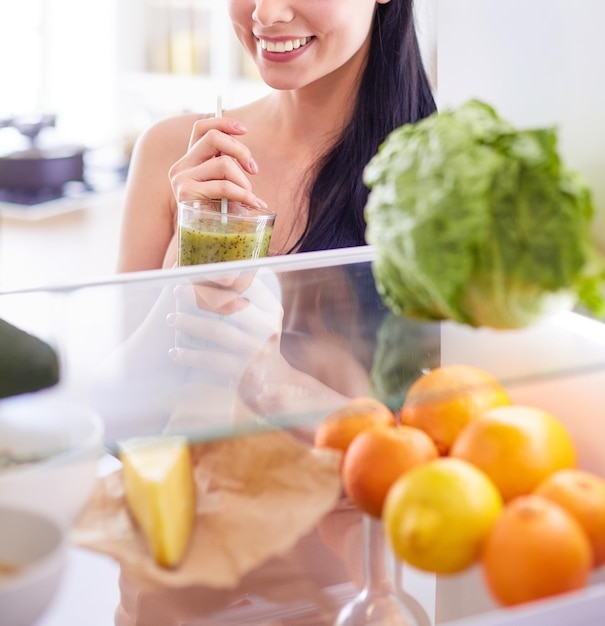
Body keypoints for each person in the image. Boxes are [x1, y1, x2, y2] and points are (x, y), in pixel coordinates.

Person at [116, 0, 436, 273]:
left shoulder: (445, 177)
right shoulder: (172, 152)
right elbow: (125, 346)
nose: (265, 13)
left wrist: (271, 350)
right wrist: (184, 266)